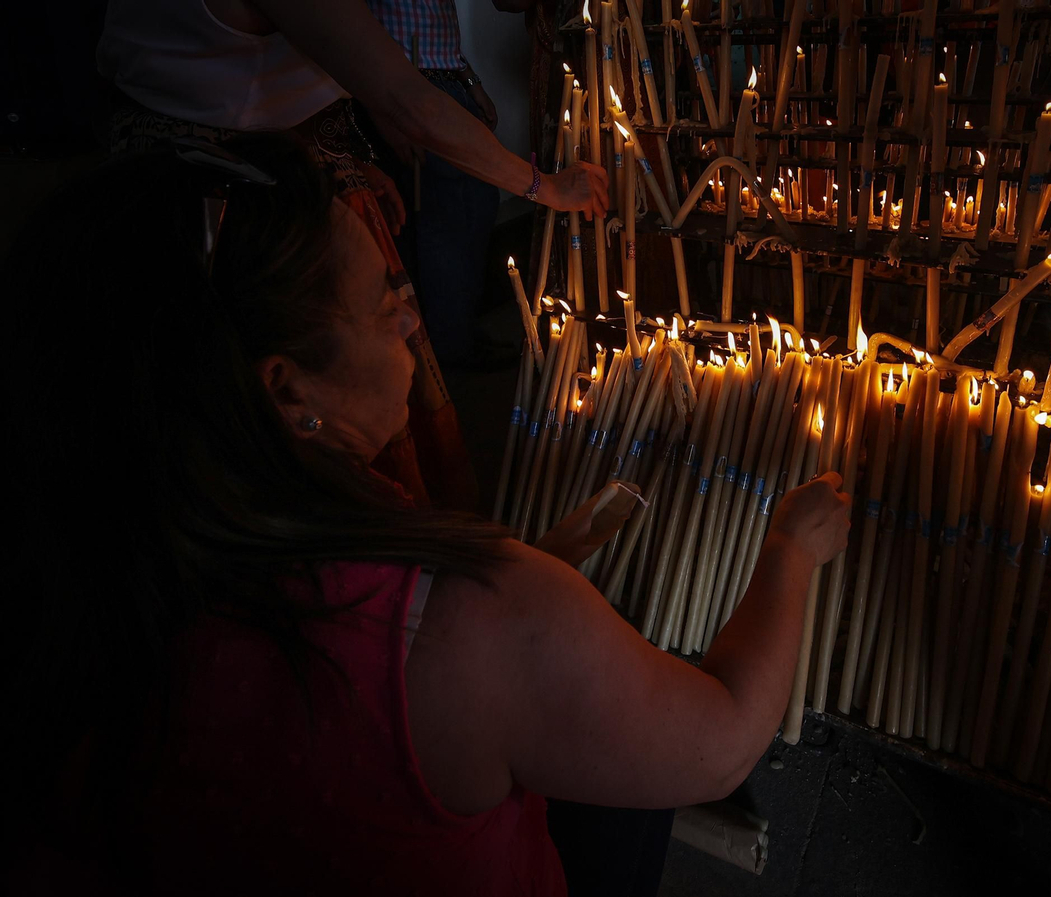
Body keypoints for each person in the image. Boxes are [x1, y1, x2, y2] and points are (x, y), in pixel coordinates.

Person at [4, 136, 850, 893]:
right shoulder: (463, 624)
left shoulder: (77, 575)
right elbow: (725, 741)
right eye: (382, 304)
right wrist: (789, 549)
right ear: (286, 387)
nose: (414, 320)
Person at [96, 0, 610, 508]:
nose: (408, 322)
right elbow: (411, 101)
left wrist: (351, 157)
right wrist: (545, 187)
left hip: (257, 179)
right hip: (247, 214)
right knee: (282, 407)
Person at [360, 0, 514, 367]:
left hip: (441, 81)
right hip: (409, 87)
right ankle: (445, 355)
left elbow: (432, 24)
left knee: (464, 217)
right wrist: (387, 108)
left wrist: (467, 77)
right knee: (446, 222)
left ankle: (452, 340)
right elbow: (361, 31)